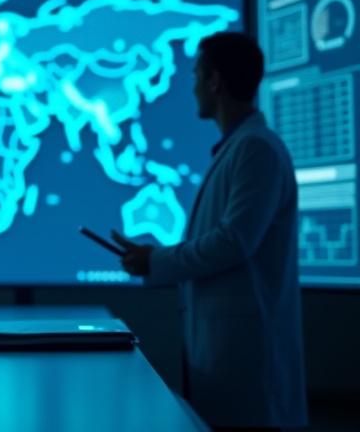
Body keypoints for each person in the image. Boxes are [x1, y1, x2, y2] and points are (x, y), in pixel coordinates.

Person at [110, 32, 307, 430]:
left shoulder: (256, 149)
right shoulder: (242, 147)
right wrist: (153, 259)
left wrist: (156, 259)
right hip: (225, 357)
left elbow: (234, 242)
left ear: (215, 81)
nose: (193, 86)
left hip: (249, 362)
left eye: (197, 75)